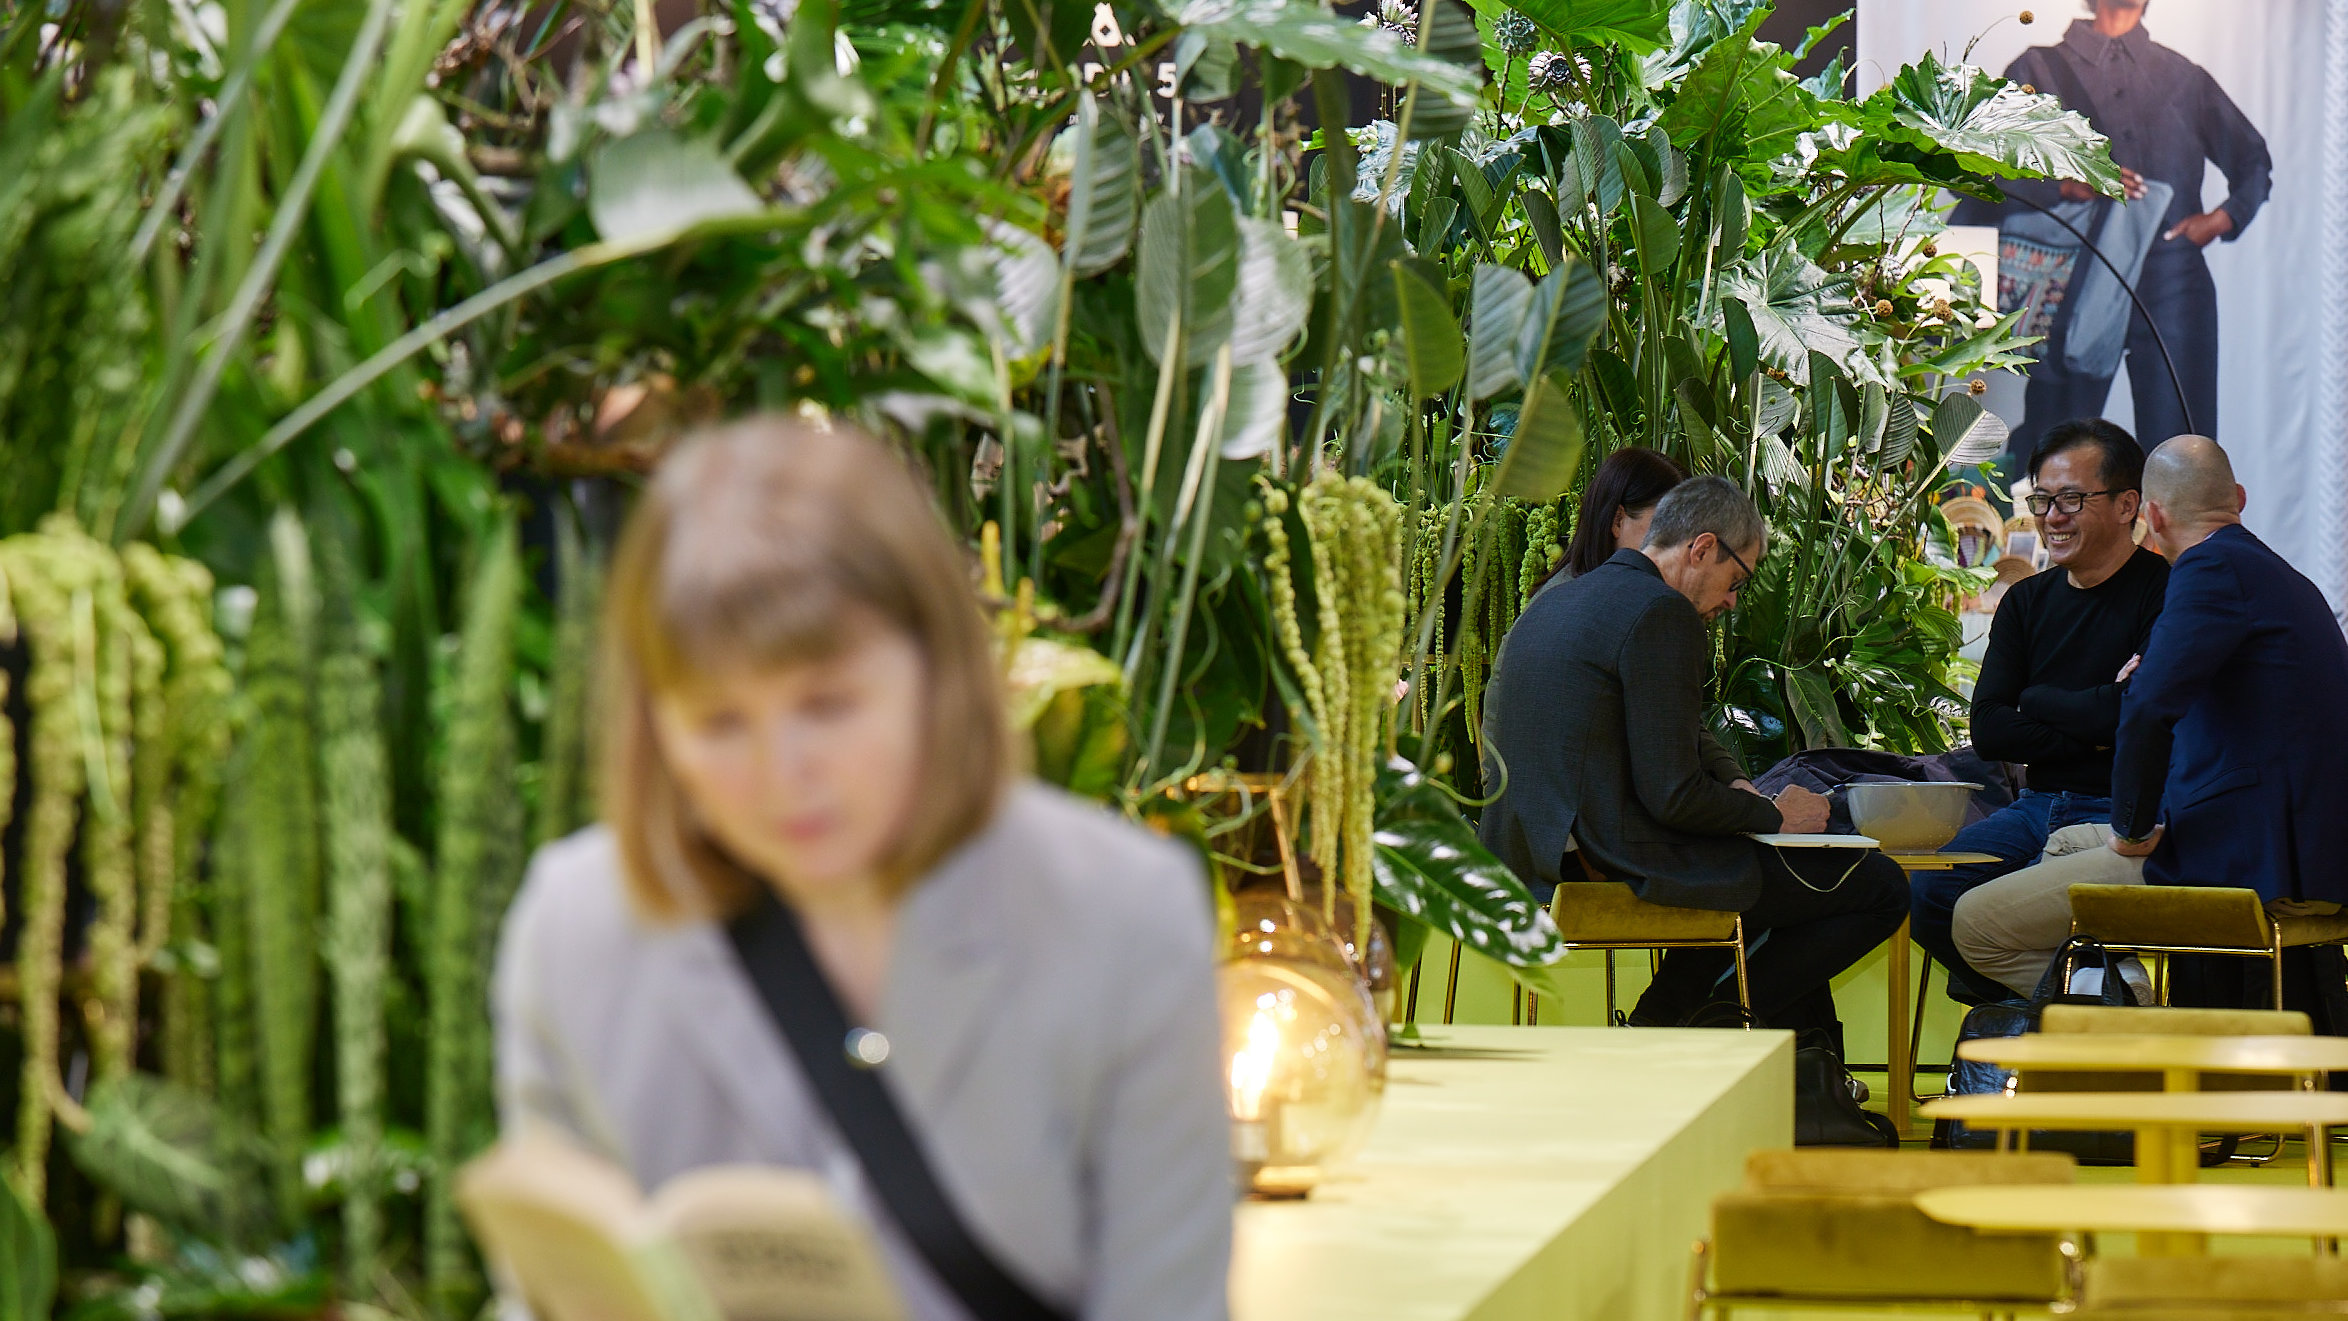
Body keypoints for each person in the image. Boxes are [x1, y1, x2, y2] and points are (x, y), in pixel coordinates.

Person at [492, 419, 1233, 1321]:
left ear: (935, 672)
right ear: (658, 730)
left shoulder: (1122, 918)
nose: (781, 775)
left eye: (829, 705)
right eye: (720, 724)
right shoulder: (578, 928)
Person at [1476, 477, 1909, 1039]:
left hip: (1529, 854)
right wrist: (1779, 818)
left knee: (1744, 879)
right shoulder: (1662, 612)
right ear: (1702, 548)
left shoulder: (1561, 596)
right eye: (1736, 581)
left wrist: (1738, 799)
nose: (1730, 602)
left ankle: (1661, 1022)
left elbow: (1664, 750)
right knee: (1878, 884)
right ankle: (1709, 1027)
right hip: (1604, 857)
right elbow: (1675, 795)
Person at [1951, 436, 2348, 996]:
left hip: (2248, 857)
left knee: (1976, 923)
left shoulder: (2207, 569)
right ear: (2237, 497)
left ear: (2149, 515)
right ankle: (2106, 984)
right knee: (2062, 845)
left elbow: (2144, 709)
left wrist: (2131, 828)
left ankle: (2131, 1017)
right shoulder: (2276, 573)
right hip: (2296, 842)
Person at [1908, 419, 2168, 1004]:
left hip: (2120, 813)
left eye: (2073, 499)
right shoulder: (2026, 600)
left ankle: (2061, 1018)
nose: (2053, 516)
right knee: (1929, 890)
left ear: (2128, 504)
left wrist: (2040, 700)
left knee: (1986, 917)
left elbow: (2136, 720)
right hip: (2037, 804)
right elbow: (1991, 728)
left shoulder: (2165, 591)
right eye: (2043, 499)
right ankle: (2072, 1009)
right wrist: (2095, 728)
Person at [1958, 0, 2271, 456]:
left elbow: (2253, 161)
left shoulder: (2183, 76)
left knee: (2184, 455)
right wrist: (2063, 187)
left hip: (2172, 278)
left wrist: (2220, 220)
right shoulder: (2037, 69)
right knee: (2059, 450)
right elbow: (1978, 168)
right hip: (2075, 276)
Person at [1506, 447, 1760, 799]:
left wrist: (1734, 779)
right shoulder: (1580, 603)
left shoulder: (1632, 604)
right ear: (1617, 520)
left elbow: (1669, 717)